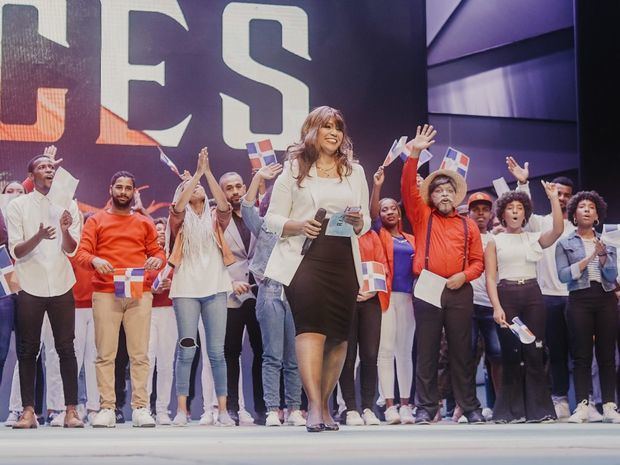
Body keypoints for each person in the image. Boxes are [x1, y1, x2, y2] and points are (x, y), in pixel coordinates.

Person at [264, 106, 370, 432]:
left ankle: (325, 404)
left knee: (339, 336)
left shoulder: (355, 172)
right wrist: (298, 225)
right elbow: (271, 219)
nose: (334, 133)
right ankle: (312, 406)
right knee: (310, 329)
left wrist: (358, 221)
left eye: (338, 127)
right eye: (327, 126)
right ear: (313, 130)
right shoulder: (294, 170)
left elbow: (364, 221)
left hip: (342, 259)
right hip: (305, 258)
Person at [400, 124, 485, 425]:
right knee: (427, 349)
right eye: (439, 191)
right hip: (428, 287)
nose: (445, 195)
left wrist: (464, 276)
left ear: (457, 196)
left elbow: (478, 262)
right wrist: (415, 153)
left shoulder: (469, 225)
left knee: (463, 351)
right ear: (431, 197)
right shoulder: (422, 216)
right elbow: (408, 187)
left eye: (450, 191)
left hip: (459, 289)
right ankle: (426, 407)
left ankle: (470, 406)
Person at [76, 170, 165, 428]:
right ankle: (106, 407)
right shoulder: (96, 221)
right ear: (111, 189)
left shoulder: (144, 222)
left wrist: (156, 259)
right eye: (119, 187)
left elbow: (158, 251)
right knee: (105, 353)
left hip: (138, 290)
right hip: (105, 291)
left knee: (140, 353)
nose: (123, 192)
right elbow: (82, 253)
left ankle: (140, 408)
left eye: (128, 188)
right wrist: (95, 259)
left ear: (133, 192)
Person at [6, 154, 84, 428]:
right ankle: (28, 411)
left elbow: (71, 249)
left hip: (62, 282)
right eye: (42, 166)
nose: (49, 169)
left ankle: (71, 411)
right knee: (27, 350)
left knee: (66, 349)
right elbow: (16, 250)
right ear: (32, 175)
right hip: (30, 283)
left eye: (52, 166)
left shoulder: (68, 205)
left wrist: (64, 230)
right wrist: (38, 237)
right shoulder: (18, 205)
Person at [166, 148, 236, 427]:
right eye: (186, 188)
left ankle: (222, 410)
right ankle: (182, 410)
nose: (193, 190)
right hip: (185, 289)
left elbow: (224, 205)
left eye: (197, 188)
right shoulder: (178, 219)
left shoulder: (215, 217)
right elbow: (179, 206)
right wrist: (194, 175)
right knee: (187, 350)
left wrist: (207, 173)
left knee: (217, 352)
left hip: (216, 287)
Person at [485, 185, 562, 423]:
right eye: (510, 208)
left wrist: (553, 200)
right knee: (510, 353)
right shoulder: (494, 241)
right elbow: (489, 277)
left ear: (525, 213)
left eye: (520, 208)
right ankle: (511, 412)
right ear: (503, 214)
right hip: (507, 295)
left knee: (535, 351)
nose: (515, 212)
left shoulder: (533, 238)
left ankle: (539, 411)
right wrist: (497, 307)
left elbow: (558, 230)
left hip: (532, 295)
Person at [507, 157, 577, 419]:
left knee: (579, 351)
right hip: (546, 296)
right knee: (552, 351)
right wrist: (523, 183)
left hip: (574, 297)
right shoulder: (540, 223)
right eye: (558, 193)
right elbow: (523, 213)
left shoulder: (578, 226)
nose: (561, 198)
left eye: (566, 195)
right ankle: (559, 399)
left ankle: (586, 398)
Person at [241, 164, 307, 427]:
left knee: (294, 357)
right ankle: (272, 409)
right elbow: (246, 210)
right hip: (270, 291)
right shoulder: (266, 226)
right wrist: (258, 177)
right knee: (272, 355)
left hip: (296, 293)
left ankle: (294, 409)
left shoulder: (303, 228)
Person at [555, 191, 620, 423]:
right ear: (574, 214)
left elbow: (612, 275)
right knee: (581, 355)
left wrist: (602, 256)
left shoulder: (607, 242)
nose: (586, 210)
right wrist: (587, 258)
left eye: (591, 207)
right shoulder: (564, 243)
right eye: (581, 206)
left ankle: (610, 406)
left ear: (597, 215)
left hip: (605, 298)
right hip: (579, 298)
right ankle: (583, 405)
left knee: (607, 354)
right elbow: (563, 276)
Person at [369, 166, 416, 424]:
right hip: (385, 298)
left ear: (399, 213)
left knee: (405, 351)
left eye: (392, 208)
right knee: (385, 351)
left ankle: (406, 404)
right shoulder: (379, 233)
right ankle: (389, 406)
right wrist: (377, 187)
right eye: (384, 209)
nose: (388, 212)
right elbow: (373, 212)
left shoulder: (410, 238)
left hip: (407, 298)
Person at [219, 170, 265, 425]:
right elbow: (213, 259)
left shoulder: (257, 215)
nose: (235, 191)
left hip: (259, 291)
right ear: (223, 192)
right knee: (230, 352)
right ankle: (232, 407)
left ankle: (262, 408)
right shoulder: (218, 220)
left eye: (238, 186)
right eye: (229, 188)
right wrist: (229, 282)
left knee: (262, 351)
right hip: (230, 293)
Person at [338, 228, 386, 427]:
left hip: (371, 300)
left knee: (370, 355)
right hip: (344, 300)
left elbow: (382, 264)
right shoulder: (338, 233)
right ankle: (349, 408)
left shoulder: (371, 235)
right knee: (347, 356)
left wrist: (372, 291)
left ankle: (368, 407)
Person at [467, 192, 502, 413]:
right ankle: (467, 406)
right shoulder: (462, 236)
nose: (480, 213)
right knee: (466, 356)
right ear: (468, 213)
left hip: (491, 304)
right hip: (467, 303)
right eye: (476, 209)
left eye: (485, 210)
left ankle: (500, 404)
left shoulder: (497, 239)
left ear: (491, 214)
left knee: (497, 354)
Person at [70, 212, 100, 425]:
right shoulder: (73, 249)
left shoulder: (104, 251)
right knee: (75, 359)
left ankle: (94, 407)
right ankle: (74, 406)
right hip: (75, 309)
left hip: (99, 308)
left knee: (94, 359)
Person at [146, 217, 177, 425]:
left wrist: (170, 284)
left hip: (170, 312)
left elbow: (186, 280)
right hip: (146, 312)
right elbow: (134, 281)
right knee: (147, 362)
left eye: (163, 229)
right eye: (156, 230)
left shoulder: (175, 257)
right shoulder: (144, 257)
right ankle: (144, 407)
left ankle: (163, 409)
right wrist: (151, 288)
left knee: (166, 362)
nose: (160, 233)